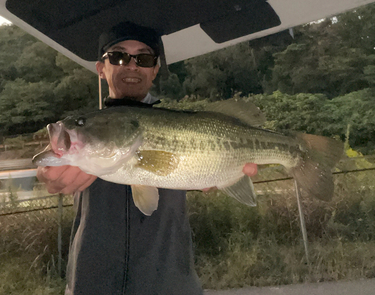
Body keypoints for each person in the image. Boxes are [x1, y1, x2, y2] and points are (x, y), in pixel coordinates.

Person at [37, 22, 258, 295]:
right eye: (118, 56)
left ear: (154, 70)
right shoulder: (82, 135)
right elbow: (45, 168)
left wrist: (218, 174)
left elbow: (195, 172)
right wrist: (48, 175)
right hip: (91, 283)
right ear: (101, 69)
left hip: (170, 283)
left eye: (144, 58)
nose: (131, 66)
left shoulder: (180, 123)